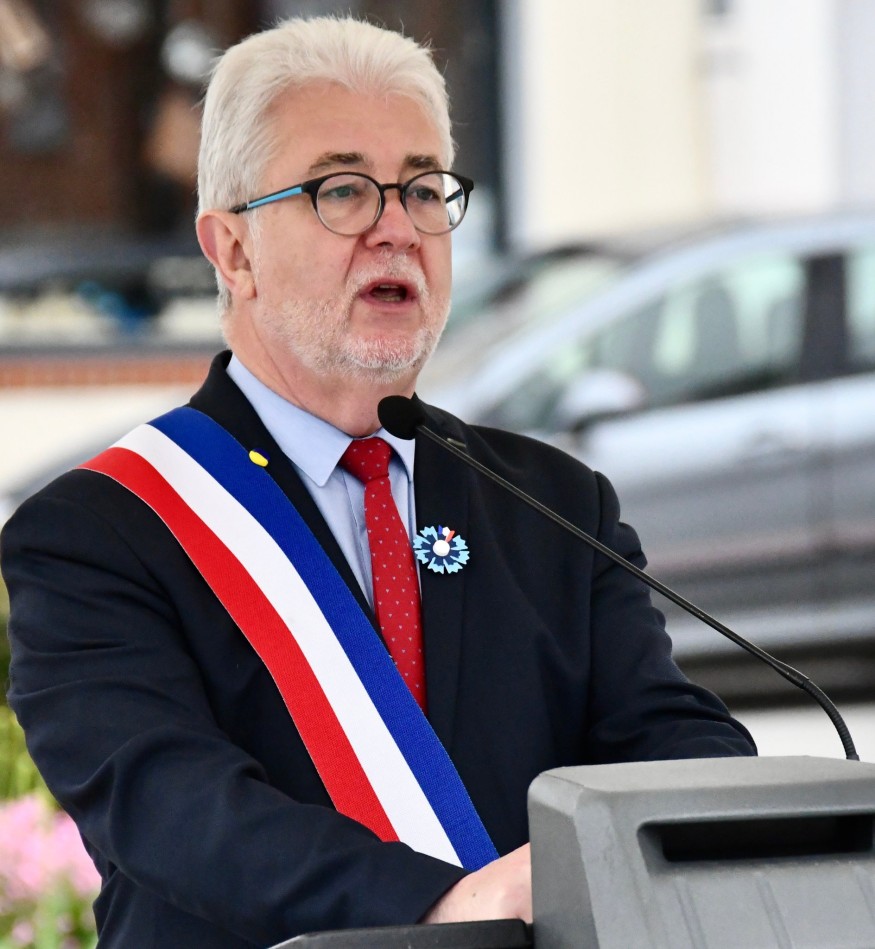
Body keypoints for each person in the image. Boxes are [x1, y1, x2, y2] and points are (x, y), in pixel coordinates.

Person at [1, 16, 755, 949]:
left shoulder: (557, 504)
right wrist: (443, 907)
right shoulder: (97, 531)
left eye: (424, 188)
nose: (398, 228)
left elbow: (671, 742)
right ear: (233, 251)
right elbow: (174, 807)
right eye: (343, 190)